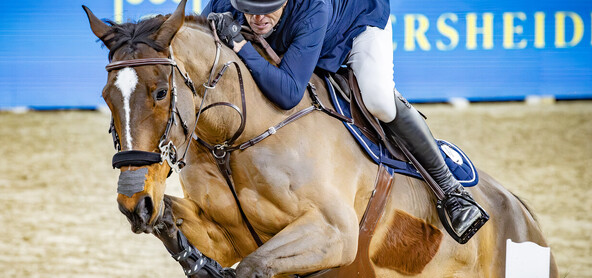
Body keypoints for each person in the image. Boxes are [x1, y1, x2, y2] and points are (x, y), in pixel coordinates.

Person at [203, 0, 486, 242]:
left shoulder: (313, 7)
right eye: (249, 10)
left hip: (355, 22)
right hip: (307, 34)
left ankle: (452, 191)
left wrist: (240, 45)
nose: (258, 18)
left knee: (379, 101)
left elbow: (288, 93)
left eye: (269, 8)